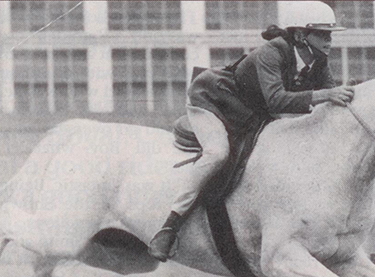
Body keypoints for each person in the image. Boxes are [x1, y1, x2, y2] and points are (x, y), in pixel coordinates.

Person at [148, 1, 354, 262]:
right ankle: (170, 225)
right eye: (323, 34)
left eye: (330, 34)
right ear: (301, 35)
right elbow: (277, 100)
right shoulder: (273, 52)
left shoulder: (319, 62)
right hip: (214, 102)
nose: (329, 40)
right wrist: (327, 94)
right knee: (217, 154)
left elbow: (326, 105)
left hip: (251, 113)